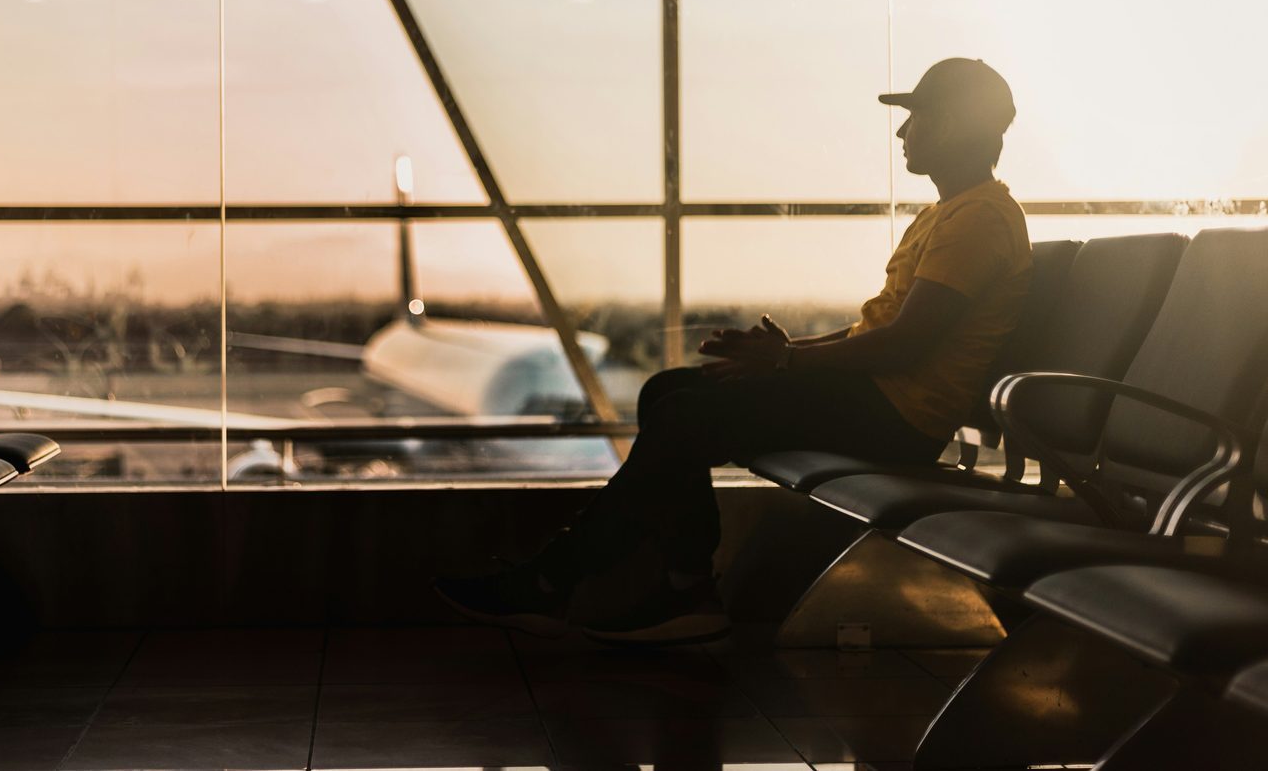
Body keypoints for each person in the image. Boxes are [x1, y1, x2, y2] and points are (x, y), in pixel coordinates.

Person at [436, 57, 1033, 644]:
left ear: (951, 125)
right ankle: (683, 589)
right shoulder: (948, 213)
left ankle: (557, 580)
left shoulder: (978, 219)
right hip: (878, 400)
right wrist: (785, 352)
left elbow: (905, 345)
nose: (903, 132)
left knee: (683, 414)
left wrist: (789, 363)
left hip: (898, 418)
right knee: (667, 389)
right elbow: (878, 331)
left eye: (917, 117)